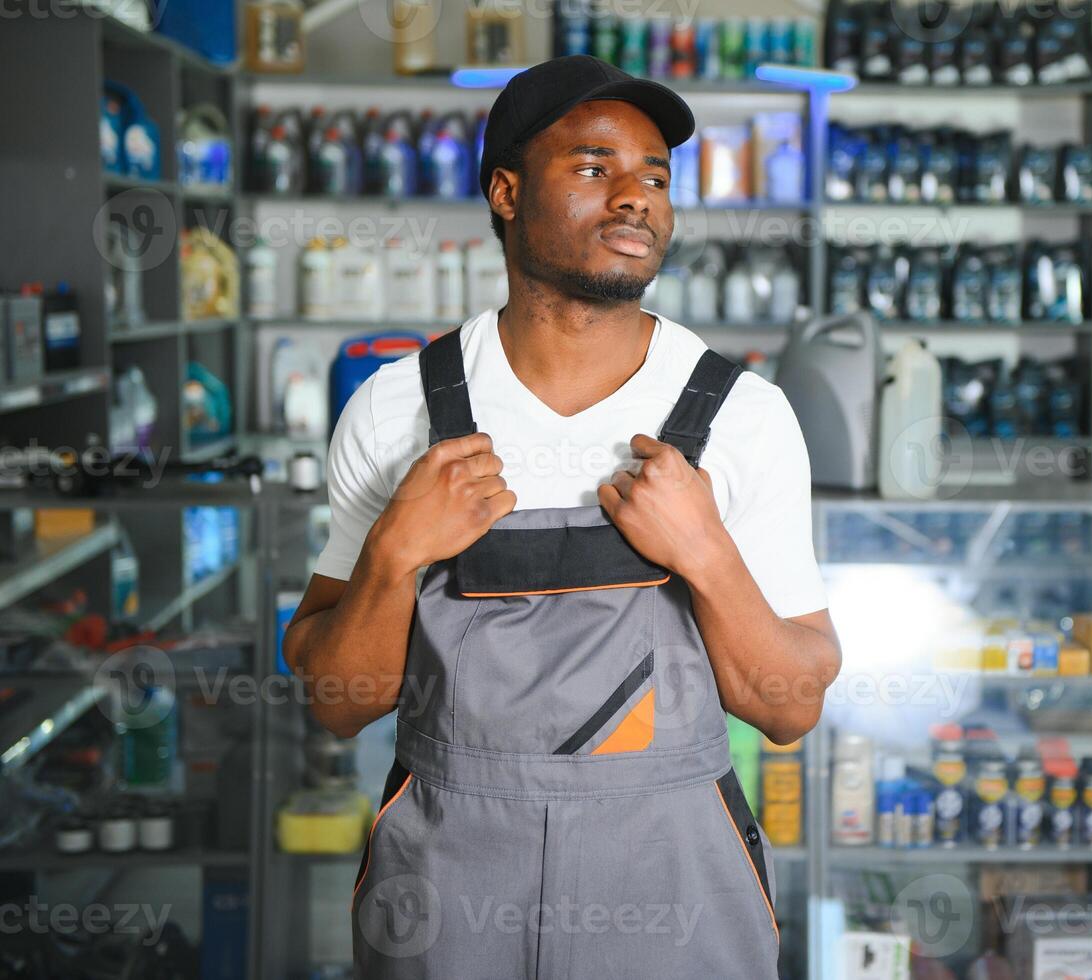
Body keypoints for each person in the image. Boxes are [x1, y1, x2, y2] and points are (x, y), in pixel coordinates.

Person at [283, 55, 841, 977]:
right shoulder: (396, 411)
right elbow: (339, 706)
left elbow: (786, 708)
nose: (636, 198)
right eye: (593, 167)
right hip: (447, 889)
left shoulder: (740, 415)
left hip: (674, 884)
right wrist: (393, 556)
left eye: (655, 176)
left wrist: (707, 555)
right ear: (505, 191)